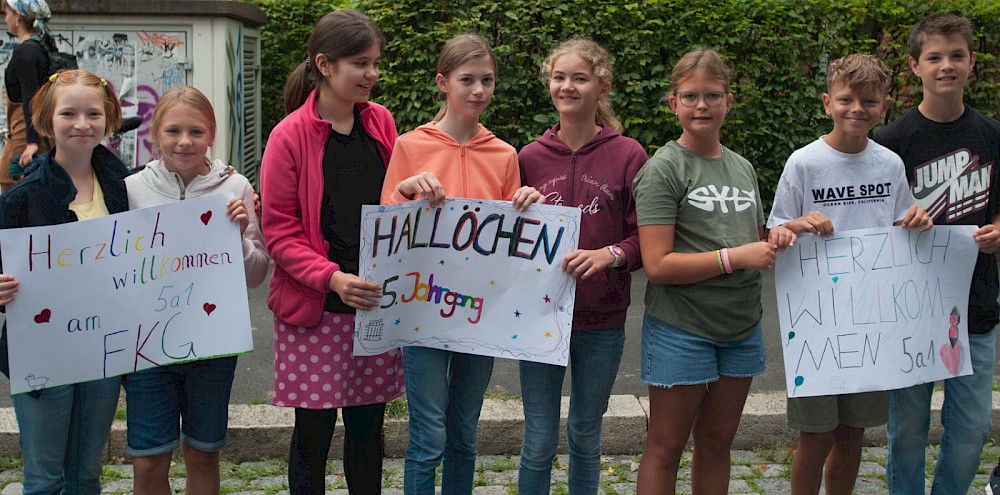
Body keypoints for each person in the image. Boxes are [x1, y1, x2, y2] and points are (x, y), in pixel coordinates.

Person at [380, 33, 543, 495]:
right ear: (442, 82)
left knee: (465, 430)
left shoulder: (505, 154)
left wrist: (526, 204)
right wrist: (407, 190)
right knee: (428, 434)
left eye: (487, 80)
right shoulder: (410, 146)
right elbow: (386, 228)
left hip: (479, 311)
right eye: (467, 80)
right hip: (423, 307)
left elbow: (511, 237)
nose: (478, 90)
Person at [766, 54, 932, 495]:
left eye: (869, 101)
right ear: (827, 103)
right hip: (817, 323)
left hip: (872, 322)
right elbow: (774, 232)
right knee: (816, 433)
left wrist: (917, 219)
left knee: (853, 432)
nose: (857, 109)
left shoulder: (890, 164)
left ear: (884, 107)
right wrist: (797, 224)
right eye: (846, 99)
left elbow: (901, 227)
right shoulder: (804, 163)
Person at [631, 48, 795, 495]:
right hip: (680, 326)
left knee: (718, 443)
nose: (701, 105)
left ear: (728, 101)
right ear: (674, 103)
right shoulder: (662, 169)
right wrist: (734, 257)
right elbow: (657, 265)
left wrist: (786, 232)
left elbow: (755, 239)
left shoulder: (742, 167)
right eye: (690, 96)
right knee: (666, 446)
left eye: (712, 95)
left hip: (741, 325)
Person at [260, 9, 405, 495]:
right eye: (361, 63)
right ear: (324, 64)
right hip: (316, 309)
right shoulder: (288, 136)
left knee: (368, 432)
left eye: (375, 63)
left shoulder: (381, 122)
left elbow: (394, 201)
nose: (372, 74)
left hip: (373, 305)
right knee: (312, 435)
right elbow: (280, 233)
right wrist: (333, 278)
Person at [872, 13, 1000, 495]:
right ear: (915, 66)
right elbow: (873, 225)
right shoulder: (891, 143)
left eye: (956, 55)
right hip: (910, 309)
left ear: (971, 63)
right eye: (935, 57)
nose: (946, 65)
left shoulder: (993, 135)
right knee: (907, 429)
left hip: (976, 305)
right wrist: (902, 222)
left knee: (972, 428)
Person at [122, 85, 269, 495]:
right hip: (147, 343)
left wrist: (238, 236)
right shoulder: (132, 188)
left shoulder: (235, 187)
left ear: (212, 134)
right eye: (173, 131)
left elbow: (257, 273)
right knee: (148, 459)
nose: (184, 141)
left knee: (203, 453)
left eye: (195, 131)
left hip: (211, 342)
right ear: (155, 133)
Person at [515, 37, 645, 494]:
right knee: (538, 439)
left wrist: (612, 254)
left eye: (580, 78)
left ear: (602, 87)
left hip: (602, 319)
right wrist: (517, 206)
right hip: (538, 317)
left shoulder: (629, 154)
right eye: (559, 77)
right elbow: (506, 242)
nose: (567, 86)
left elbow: (645, 238)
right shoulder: (527, 157)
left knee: (586, 435)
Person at [0, 69, 126, 495]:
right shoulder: (20, 198)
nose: (81, 124)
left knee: (86, 475)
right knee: (43, 479)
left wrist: (231, 191)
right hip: (42, 354)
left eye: (93, 114)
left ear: (109, 119)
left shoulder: (124, 187)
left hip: (103, 351)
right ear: (47, 120)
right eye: (68, 113)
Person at [0, 0, 52, 192]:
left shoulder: (25, 52)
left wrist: (31, 143)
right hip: (37, 133)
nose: (5, 19)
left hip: (25, 135)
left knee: (9, 188)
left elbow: (31, 97)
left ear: (18, 16)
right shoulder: (40, 48)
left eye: (7, 13)